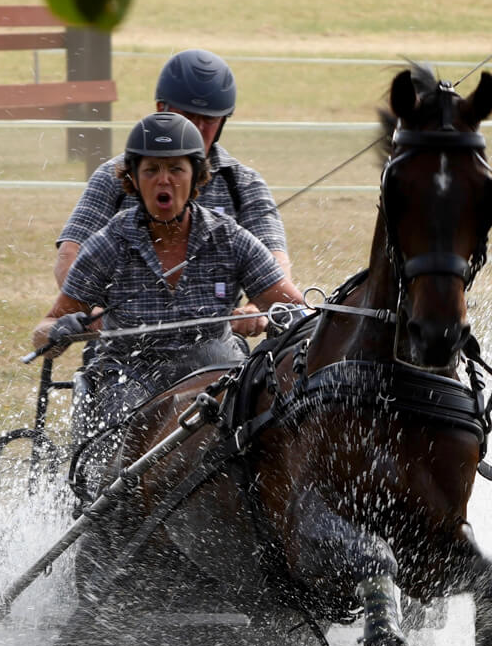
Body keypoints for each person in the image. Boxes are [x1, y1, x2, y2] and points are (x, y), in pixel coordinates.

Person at [33, 112, 304, 434]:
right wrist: (58, 331)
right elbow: (44, 330)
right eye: (151, 170)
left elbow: (297, 309)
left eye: (176, 169)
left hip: (215, 368)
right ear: (133, 180)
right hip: (128, 376)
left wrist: (264, 316)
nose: (164, 180)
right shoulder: (108, 244)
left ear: (196, 177)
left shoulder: (230, 239)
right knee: (123, 427)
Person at [54, 48, 291, 299]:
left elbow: (276, 261)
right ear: (161, 109)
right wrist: (93, 310)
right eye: (188, 116)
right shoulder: (115, 175)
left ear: (223, 121)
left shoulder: (243, 184)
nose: (198, 128)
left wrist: (258, 310)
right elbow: (70, 254)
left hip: (220, 323)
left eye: (209, 120)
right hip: (126, 321)